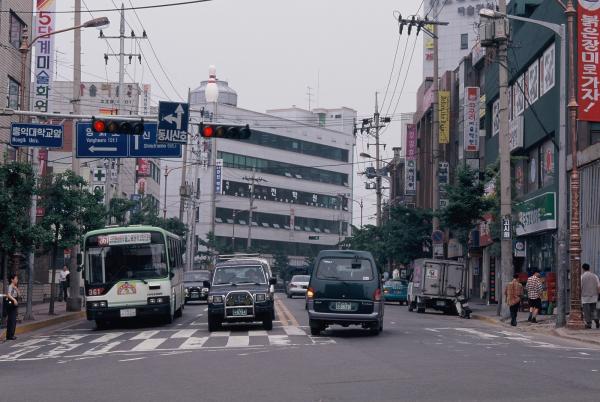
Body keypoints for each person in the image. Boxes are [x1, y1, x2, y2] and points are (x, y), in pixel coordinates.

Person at [581, 263, 600, 329]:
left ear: (583, 269)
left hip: (585, 296)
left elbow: (580, 287)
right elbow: (598, 286)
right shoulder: (595, 276)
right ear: (589, 268)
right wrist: (598, 294)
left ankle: (589, 323)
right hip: (594, 295)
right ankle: (596, 320)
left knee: (586, 310)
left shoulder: (582, 277)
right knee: (594, 309)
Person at [4, 273, 20, 341]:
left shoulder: (14, 286)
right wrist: (14, 300)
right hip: (10, 303)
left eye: (17, 279)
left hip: (13, 303)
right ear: (12, 280)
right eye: (16, 279)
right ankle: (10, 335)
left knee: (13, 319)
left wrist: (16, 289)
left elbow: (19, 295)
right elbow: (9, 295)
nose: (17, 280)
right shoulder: (10, 286)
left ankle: (10, 335)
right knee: (12, 319)